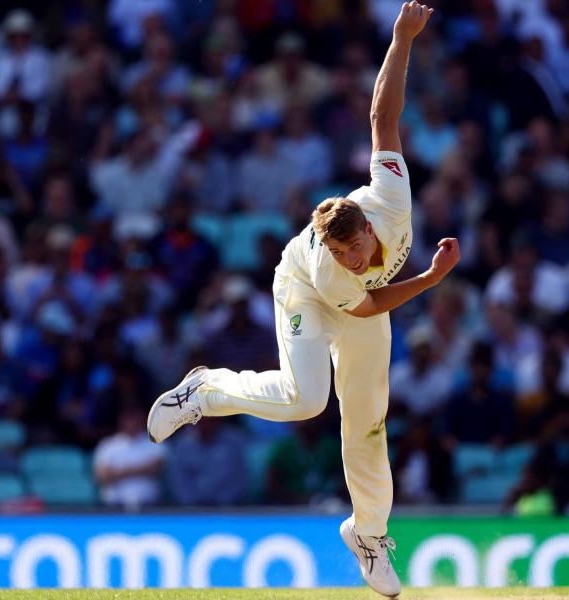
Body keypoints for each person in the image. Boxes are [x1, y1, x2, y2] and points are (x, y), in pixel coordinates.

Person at [146, 4, 454, 598]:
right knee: (307, 400)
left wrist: (399, 37)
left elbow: (381, 114)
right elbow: (364, 303)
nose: (352, 258)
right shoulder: (327, 267)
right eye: (342, 254)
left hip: (365, 303)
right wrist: (432, 279)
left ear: (367, 226)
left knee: (367, 426)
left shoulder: (389, 194)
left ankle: (368, 534)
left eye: (356, 249)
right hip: (305, 296)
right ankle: (204, 390)